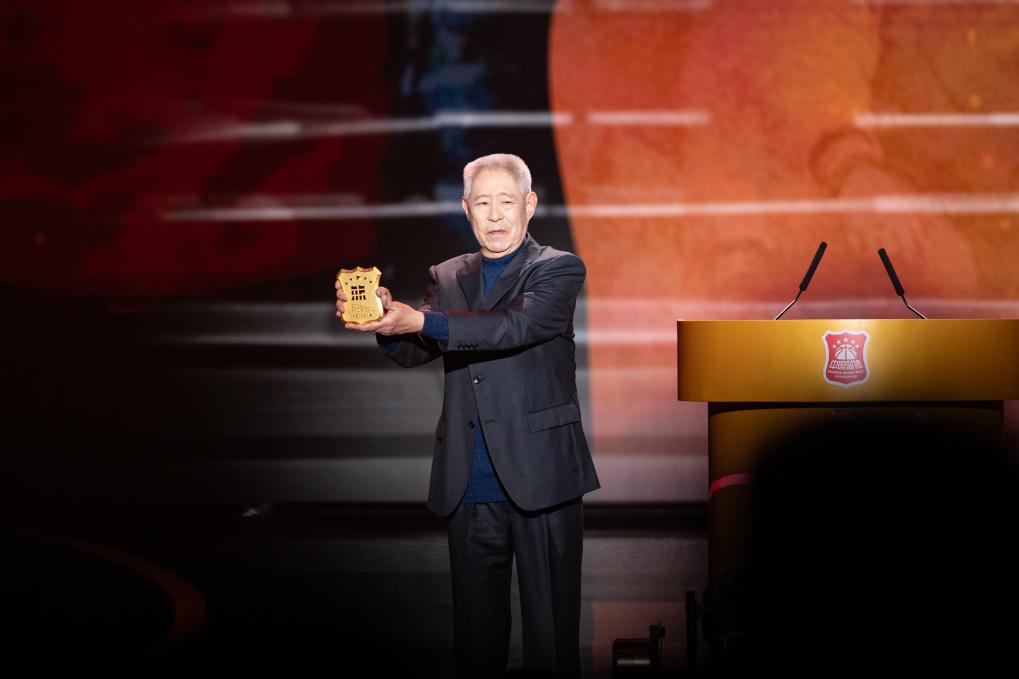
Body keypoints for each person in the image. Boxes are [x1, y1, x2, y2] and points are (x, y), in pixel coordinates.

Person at [335, 153, 600, 677]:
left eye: (506, 201)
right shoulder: (448, 274)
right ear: (465, 208)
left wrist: (421, 321)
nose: (495, 214)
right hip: (469, 480)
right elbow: (418, 349)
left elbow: (513, 327)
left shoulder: (557, 268)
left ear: (529, 205)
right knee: (476, 645)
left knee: (551, 644)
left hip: (542, 476)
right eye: (482, 203)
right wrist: (386, 322)